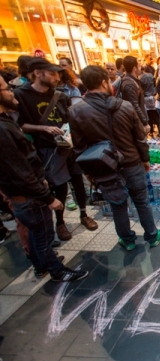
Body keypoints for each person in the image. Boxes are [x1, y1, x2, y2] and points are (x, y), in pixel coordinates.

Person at [0, 69, 88, 282]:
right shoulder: (3, 130)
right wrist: (49, 198)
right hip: (29, 197)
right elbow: (20, 171)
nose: (12, 92)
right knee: (43, 236)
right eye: (6, 88)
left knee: (37, 234)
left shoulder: (6, 121)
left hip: (26, 195)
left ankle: (41, 265)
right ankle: (57, 271)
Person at [69, 65, 160, 251]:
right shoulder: (125, 106)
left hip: (103, 167)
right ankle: (152, 236)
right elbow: (140, 138)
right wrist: (145, 160)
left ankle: (127, 240)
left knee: (117, 205)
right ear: (105, 82)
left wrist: (88, 172)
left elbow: (79, 147)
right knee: (142, 201)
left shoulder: (76, 111)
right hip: (132, 162)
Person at [14, 58, 97, 242]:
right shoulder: (21, 95)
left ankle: (84, 214)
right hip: (46, 149)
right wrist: (43, 129)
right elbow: (19, 125)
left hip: (68, 146)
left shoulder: (60, 95)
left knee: (77, 179)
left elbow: (69, 117)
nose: (56, 77)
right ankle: (60, 222)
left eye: (58, 73)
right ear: (37, 73)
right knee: (59, 185)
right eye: (52, 73)